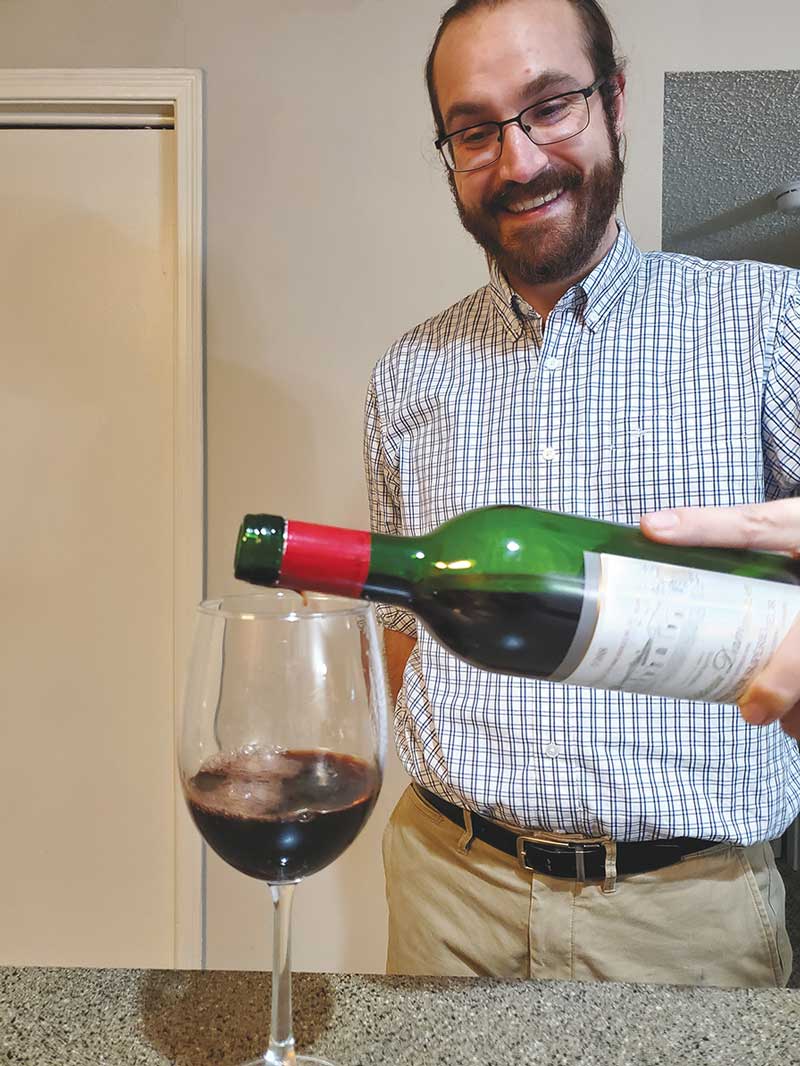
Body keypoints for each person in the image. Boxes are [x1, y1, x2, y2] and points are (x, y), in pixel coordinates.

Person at [363, 0, 800, 987]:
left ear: (612, 101)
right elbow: (400, 626)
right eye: (474, 129)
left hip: (686, 920)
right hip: (448, 893)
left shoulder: (769, 321)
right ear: (448, 154)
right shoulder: (406, 374)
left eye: (549, 106)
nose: (515, 162)